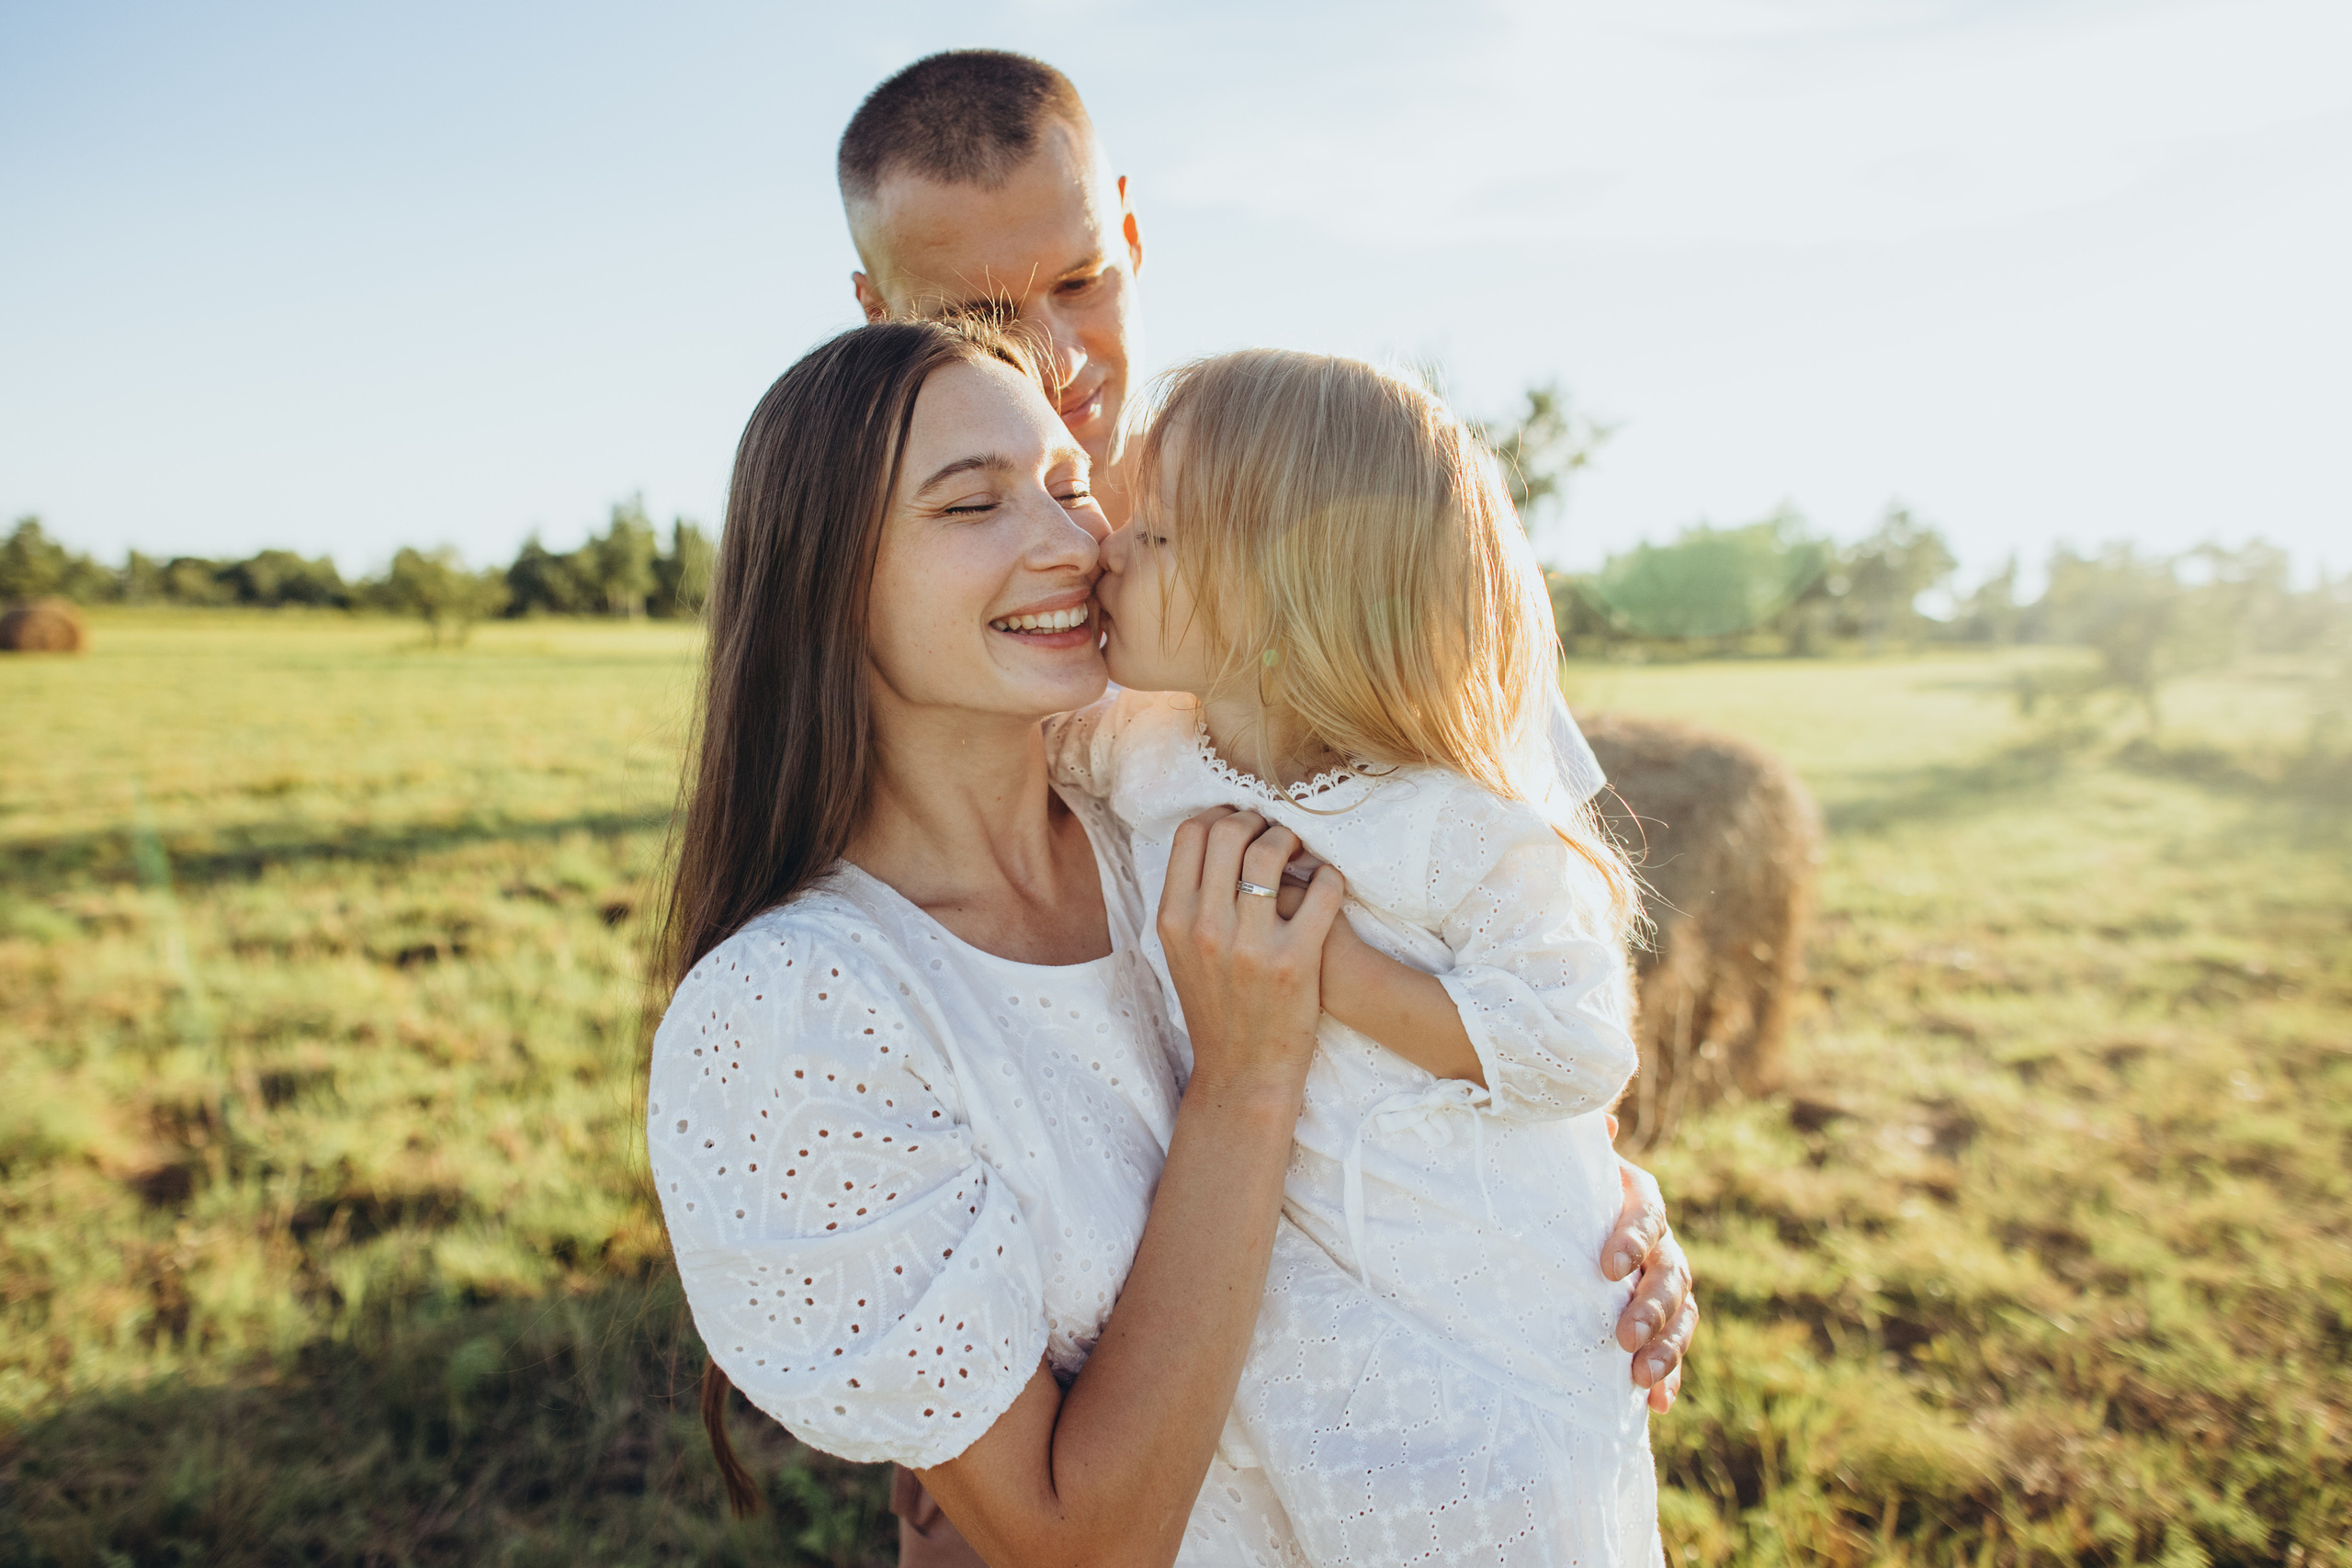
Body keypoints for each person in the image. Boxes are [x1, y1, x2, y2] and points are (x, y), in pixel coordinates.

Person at [648, 321, 1682, 1564]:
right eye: (973, 503)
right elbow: (1080, 1541)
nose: (1073, 542)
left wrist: (1589, 1218)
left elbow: (1501, 1015)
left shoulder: (1184, 775)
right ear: (824, 578)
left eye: (1077, 486)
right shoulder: (796, 1017)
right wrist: (1249, 1073)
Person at [1048, 348, 1660, 1563]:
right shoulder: (1149, 748)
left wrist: (1328, 970)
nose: (1110, 550)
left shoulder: (1451, 820)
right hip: (1281, 1322)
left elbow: (1577, 1040)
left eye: (1157, 536)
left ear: (1287, 598)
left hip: (1474, 1333)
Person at [837, 50, 1615, 807]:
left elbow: (1557, 876)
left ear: (1131, 238)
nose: (1062, 361)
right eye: (982, 316)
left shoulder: (1325, 485)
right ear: (880, 313)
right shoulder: (865, 594)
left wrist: (1333, 949)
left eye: (1081, 283)